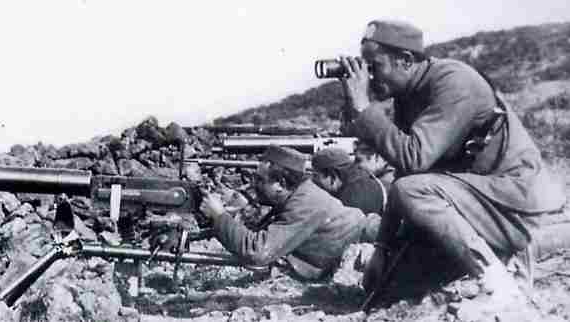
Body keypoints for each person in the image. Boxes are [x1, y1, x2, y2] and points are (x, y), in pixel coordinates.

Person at [336, 19, 566, 300]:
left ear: (406, 60)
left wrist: (363, 106)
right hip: (474, 203)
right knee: (387, 287)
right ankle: (492, 258)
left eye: (375, 67)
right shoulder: (408, 96)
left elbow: (413, 161)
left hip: (513, 205)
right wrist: (382, 249)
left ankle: (498, 279)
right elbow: (402, 175)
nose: (369, 78)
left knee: (413, 190)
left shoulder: (454, 81)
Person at [199, 145, 380, 280]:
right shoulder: (298, 191)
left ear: (281, 184)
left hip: (369, 247)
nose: (255, 185)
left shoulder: (304, 203)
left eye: (261, 180)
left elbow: (258, 253)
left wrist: (220, 216)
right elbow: (262, 224)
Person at [311, 147, 389, 215]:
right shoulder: (369, 179)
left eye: (316, 176)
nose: (314, 182)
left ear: (332, 175)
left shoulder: (349, 201)